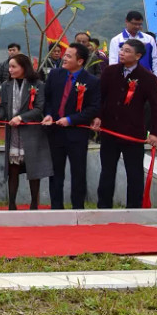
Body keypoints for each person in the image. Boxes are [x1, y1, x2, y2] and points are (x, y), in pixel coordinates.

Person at [94, 39, 157, 209]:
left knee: (134, 173)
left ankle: (134, 209)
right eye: (121, 50)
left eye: (127, 51)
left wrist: (156, 132)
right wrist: (97, 117)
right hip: (109, 130)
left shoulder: (147, 77)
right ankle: (104, 207)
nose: (122, 53)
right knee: (107, 171)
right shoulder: (110, 71)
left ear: (138, 56)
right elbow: (99, 97)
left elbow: (156, 107)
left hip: (133, 132)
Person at [0, 53, 52, 210]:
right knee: (13, 169)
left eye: (13, 66)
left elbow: (39, 108)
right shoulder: (6, 85)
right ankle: (11, 204)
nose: (10, 70)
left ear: (24, 67)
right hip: (13, 133)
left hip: (31, 132)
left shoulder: (37, 84)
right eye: (9, 67)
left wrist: (21, 118)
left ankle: (34, 204)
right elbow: (3, 107)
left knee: (33, 169)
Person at [41, 43, 100, 209]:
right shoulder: (55, 75)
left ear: (80, 61)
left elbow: (93, 108)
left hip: (77, 134)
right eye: (64, 55)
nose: (64, 58)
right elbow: (47, 99)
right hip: (55, 133)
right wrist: (48, 114)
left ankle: (78, 208)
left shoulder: (92, 81)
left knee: (78, 173)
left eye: (68, 56)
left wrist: (71, 120)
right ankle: (56, 208)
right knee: (55, 174)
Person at [109, 11, 157, 77]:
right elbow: (113, 61)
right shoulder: (117, 40)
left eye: (140, 24)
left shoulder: (149, 39)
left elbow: (155, 59)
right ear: (126, 21)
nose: (137, 27)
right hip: (124, 77)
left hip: (146, 76)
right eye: (134, 24)